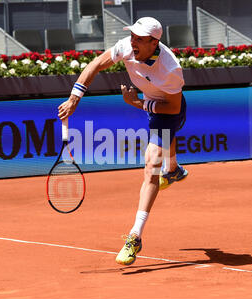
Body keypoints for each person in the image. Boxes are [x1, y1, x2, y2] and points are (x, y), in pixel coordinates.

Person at [57, 17, 188, 265]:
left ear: (154, 42)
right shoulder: (126, 47)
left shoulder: (170, 69)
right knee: (164, 153)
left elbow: (171, 109)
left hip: (168, 110)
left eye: (139, 38)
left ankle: (134, 236)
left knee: (151, 167)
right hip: (151, 103)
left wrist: (136, 103)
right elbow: (96, 64)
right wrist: (75, 97)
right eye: (132, 36)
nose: (133, 42)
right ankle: (173, 170)